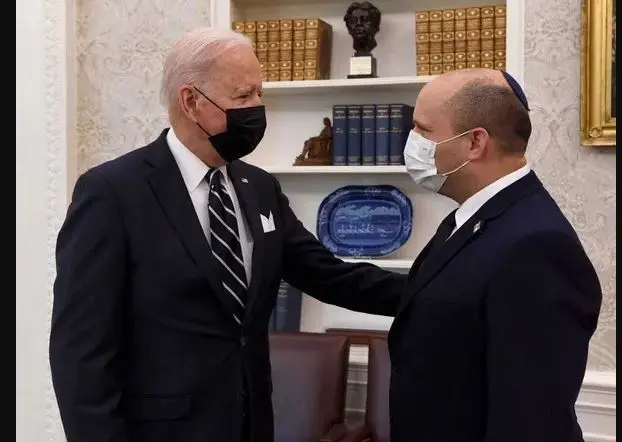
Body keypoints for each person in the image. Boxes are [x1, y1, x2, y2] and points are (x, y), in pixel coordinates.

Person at [49, 27, 406, 442]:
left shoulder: (260, 187)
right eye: (242, 96)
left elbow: (329, 275)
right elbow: (80, 352)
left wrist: (435, 289)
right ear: (191, 101)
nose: (257, 108)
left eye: (259, 93)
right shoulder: (113, 193)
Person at [387, 68, 602, 442]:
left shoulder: (538, 247)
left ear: (475, 142)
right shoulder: (475, 214)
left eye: (422, 129)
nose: (412, 141)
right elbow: (432, 295)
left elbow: (530, 421)